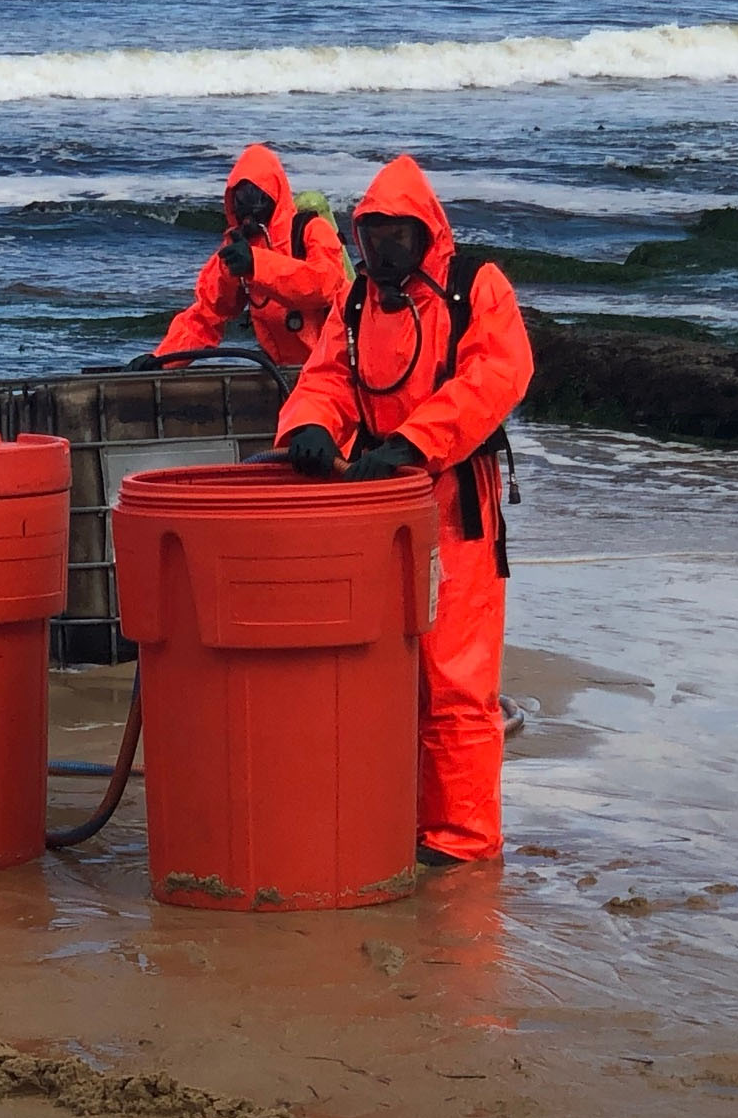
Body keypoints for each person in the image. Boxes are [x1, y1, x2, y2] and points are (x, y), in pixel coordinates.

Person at [275, 155, 534, 867]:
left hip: (454, 507)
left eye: (397, 234)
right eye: (373, 234)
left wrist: (414, 443)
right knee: (379, 677)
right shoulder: (359, 300)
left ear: (427, 233)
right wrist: (309, 426)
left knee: (456, 680)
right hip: (374, 503)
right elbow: (329, 376)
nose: (384, 248)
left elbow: (497, 375)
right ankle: (395, 821)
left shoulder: (475, 285)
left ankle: (461, 840)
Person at [131, 144, 350, 370]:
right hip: (285, 370)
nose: (248, 205)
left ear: (274, 193)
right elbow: (207, 315)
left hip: (336, 365)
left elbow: (324, 285)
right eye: (240, 196)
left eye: (255, 194)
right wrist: (161, 361)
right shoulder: (238, 249)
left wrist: (256, 264)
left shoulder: (311, 230)